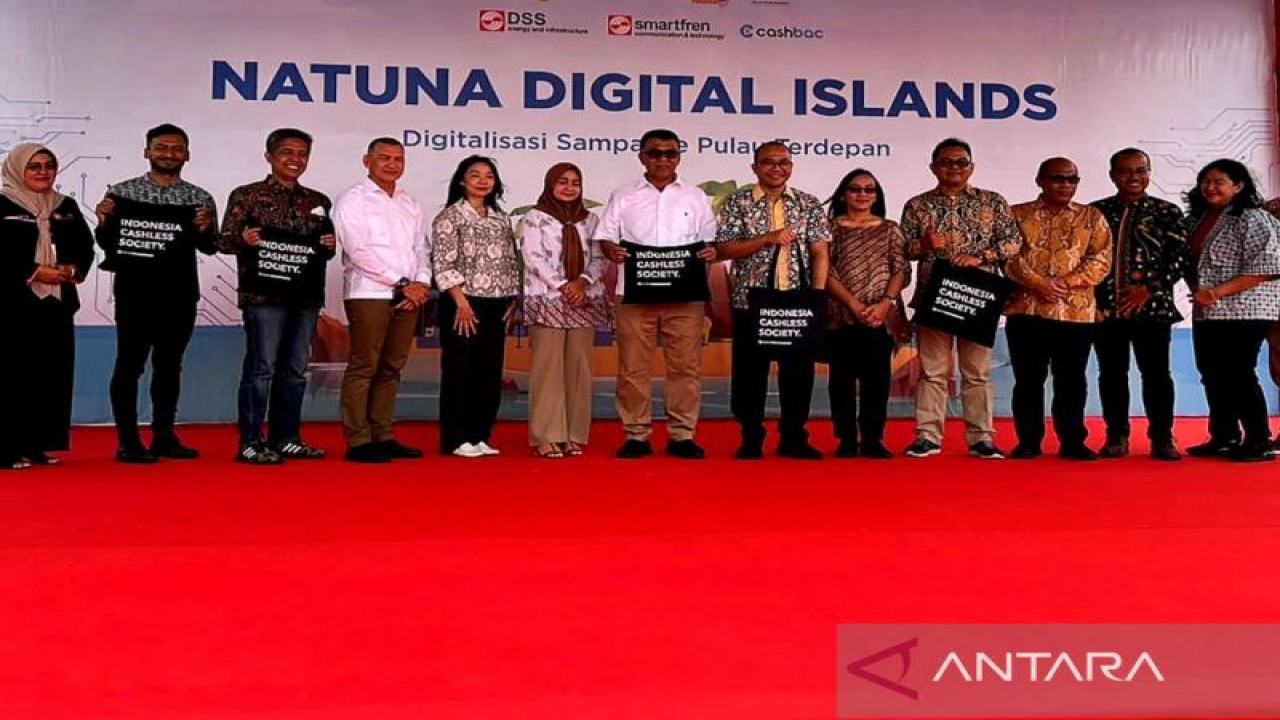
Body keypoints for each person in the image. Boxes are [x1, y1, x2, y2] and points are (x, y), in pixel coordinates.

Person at [94, 124, 218, 464]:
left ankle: (164, 436)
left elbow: (210, 246)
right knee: (129, 365)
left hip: (179, 293)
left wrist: (205, 227)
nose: (169, 154)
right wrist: (103, 221)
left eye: (176, 148)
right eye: (161, 147)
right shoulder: (121, 193)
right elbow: (107, 242)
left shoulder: (199, 198)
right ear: (146, 151)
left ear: (187, 155)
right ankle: (128, 441)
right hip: (134, 293)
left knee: (169, 366)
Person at [595, 129, 717, 460]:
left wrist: (710, 252)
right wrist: (611, 250)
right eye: (655, 153)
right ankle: (636, 434)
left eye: (670, 153)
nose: (663, 159)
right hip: (634, 294)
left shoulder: (696, 196)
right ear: (642, 157)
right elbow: (605, 238)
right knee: (633, 367)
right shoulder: (623, 195)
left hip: (685, 295)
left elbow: (709, 241)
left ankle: (682, 434)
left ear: (679, 157)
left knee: (686, 367)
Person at [900, 138, 1023, 459]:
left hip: (977, 298)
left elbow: (1013, 242)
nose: (954, 167)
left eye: (961, 162)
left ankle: (981, 438)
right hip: (934, 298)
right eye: (946, 162)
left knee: (977, 372)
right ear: (933, 167)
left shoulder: (993, 202)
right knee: (932, 372)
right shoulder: (917, 205)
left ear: (971, 167)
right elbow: (903, 249)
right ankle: (927, 436)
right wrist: (924, 246)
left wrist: (981, 257)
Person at [219, 128, 335, 464]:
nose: (295, 159)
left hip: (304, 298)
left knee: (295, 370)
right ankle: (251, 441)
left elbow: (323, 250)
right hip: (263, 298)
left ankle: (287, 438)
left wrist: (328, 245)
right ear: (269, 156)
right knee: (261, 370)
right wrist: (245, 239)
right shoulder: (246, 195)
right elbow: (223, 240)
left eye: (302, 153)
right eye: (287, 152)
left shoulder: (318, 201)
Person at [715, 141, 830, 460]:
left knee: (799, 374)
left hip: (798, 301)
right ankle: (751, 437)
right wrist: (767, 238)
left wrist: (817, 296)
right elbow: (724, 249)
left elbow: (820, 252)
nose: (777, 168)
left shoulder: (808, 203)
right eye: (768, 162)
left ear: (791, 167)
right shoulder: (738, 201)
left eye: (784, 162)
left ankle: (794, 438)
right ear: (755, 167)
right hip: (751, 302)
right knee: (749, 375)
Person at [1006, 158, 1112, 460]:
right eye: (1057, 178)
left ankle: (1073, 441)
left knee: (1072, 380)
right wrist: (1038, 283)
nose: (1065, 184)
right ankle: (1028, 441)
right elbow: (1007, 257)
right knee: (1028, 380)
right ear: (1040, 181)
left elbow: (1101, 260)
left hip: (1075, 312)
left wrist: (1063, 283)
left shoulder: (1092, 216)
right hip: (1027, 310)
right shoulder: (1016, 215)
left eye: (1071, 179)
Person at [333, 137, 431, 463]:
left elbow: (421, 247)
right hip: (369, 293)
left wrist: (421, 283)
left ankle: (383, 435)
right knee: (365, 365)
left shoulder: (409, 202)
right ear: (367, 161)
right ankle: (358, 440)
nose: (392, 164)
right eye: (384, 158)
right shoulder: (353, 199)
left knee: (391, 367)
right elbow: (356, 250)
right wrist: (401, 284)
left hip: (409, 296)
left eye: (398, 159)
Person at [1090, 148, 1189, 460]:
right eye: (1125, 170)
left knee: (1157, 374)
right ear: (1112, 175)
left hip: (1153, 310)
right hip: (1106, 311)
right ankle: (1116, 435)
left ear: (1149, 173)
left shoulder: (1166, 212)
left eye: (1140, 170)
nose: (1133, 176)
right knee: (1111, 374)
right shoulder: (1096, 212)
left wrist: (1148, 288)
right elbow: (1086, 259)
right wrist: (1093, 303)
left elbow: (1180, 258)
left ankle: (1162, 437)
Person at [0, 143, 94, 470]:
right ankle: (6, 449)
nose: (43, 172)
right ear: (17, 169)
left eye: (49, 165)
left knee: (50, 375)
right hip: (11, 305)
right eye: (34, 166)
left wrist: (71, 269)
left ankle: (37, 446)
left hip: (56, 304)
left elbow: (84, 246)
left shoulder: (64, 206)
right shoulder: (2, 203)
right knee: (11, 377)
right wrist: (33, 271)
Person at [1183, 159, 1280, 462]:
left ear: (1238, 186)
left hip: (1247, 308)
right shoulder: (1198, 218)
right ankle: (1224, 436)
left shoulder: (1253, 217)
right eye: (1205, 181)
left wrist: (1215, 292)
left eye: (1219, 182)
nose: (1210, 187)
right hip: (1209, 310)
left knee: (1239, 372)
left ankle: (1259, 440)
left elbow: (1268, 267)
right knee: (1212, 373)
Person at [431, 155, 520, 458]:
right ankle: (455, 440)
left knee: (489, 373)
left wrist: (513, 299)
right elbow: (443, 263)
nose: (483, 181)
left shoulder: (501, 217)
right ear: (462, 180)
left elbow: (510, 261)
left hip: (497, 304)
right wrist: (460, 302)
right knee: (460, 372)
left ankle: (480, 435)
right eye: (475, 175)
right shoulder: (450, 216)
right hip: (463, 303)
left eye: (489, 176)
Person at [521, 163, 610, 459]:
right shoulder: (535, 218)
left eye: (575, 182)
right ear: (550, 185)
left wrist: (582, 283)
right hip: (548, 299)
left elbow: (600, 258)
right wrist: (564, 286)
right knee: (548, 370)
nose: (569, 188)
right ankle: (548, 435)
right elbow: (534, 258)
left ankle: (573, 435)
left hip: (584, 299)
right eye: (562, 182)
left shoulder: (591, 220)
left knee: (579, 369)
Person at [823, 169, 910, 459]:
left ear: (876, 195)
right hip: (841, 315)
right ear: (843, 195)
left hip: (880, 317)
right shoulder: (829, 229)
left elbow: (900, 269)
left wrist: (884, 304)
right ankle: (847, 439)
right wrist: (853, 304)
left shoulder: (890, 229)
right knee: (841, 382)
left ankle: (873, 439)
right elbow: (824, 271)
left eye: (869, 189)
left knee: (877, 382)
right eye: (855, 189)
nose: (862, 194)